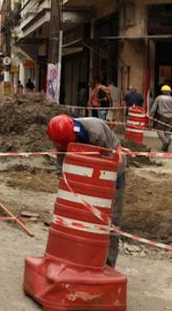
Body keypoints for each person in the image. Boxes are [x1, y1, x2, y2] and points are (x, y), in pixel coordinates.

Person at [46, 114, 126, 268]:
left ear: (74, 135)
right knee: (82, 214)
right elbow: (61, 170)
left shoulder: (95, 132)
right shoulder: (61, 139)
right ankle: (77, 255)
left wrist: (98, 189)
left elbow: (106, 162)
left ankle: (107, 263)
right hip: (87, 172)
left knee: (110, 217)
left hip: (113, 166)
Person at [150, 85, 172, 152]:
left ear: (162, 91)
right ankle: (166, 143)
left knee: (159, 130)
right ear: (169, 92)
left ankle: (165, 141)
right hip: (171, 118)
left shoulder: (159, 98)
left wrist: (150, 116)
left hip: (162, 117)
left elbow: (154, 108)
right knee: (168, 131)